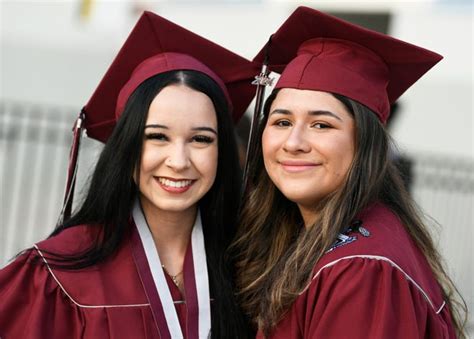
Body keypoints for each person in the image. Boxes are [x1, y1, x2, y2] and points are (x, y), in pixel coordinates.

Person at [0, 11, 258, 338]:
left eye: (200, 139)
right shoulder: (58, 274)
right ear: (127, 145)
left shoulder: (250, 267)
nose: (179, 161)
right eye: (157, 136)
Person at [232, 7, 466, 339]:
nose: (294, 142)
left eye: (321, 124)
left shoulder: (362, 269)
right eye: (282, 121)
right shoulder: (321, 238)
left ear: (365, 144)